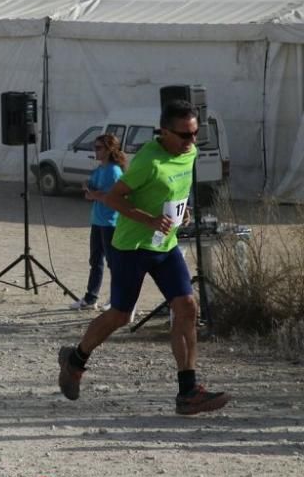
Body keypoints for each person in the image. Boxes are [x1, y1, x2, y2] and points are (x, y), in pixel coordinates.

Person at [57, 100, 231, 416]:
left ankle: (188, 391)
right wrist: (149, 219)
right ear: (163, 132)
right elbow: (112, 198)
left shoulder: (188, 153)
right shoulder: (148, 162)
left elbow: (176, 190)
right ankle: (75, 359)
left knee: (187, 307)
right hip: (131, 248)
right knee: (121, 316)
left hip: (164, 245)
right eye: (184, 135)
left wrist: (182, 211)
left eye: (195, 134)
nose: (192, 142)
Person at [69, 134, 127, 311]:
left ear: (110, 149)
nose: (95, 151)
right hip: (97, 220)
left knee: (113, 262)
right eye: (94, 147)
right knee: (96, 261)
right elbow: (91, 189)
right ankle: (91, 297)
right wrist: (89, 188)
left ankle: (116, 299)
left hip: (110, 222)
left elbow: (109, 196)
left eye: (99, 147)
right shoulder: (100, 169)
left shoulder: (113, 171)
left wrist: (93, 194)